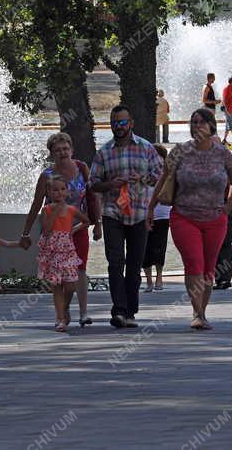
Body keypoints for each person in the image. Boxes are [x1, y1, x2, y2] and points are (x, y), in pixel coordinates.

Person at [148, 108, 232, 330]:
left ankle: (202, 311)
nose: (197, 125)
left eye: (201, 122)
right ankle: (198, 313)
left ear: (211, 127)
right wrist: (150, 209)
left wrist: (228, 207)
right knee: (194, 264)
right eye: (193, 122)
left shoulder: (223, 154)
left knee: (209, 269)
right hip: (184, 217)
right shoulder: (180, 152)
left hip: (215, 219)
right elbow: (163, 180)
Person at [90, 105, 163, 329]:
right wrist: (109, 184)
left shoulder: (146, 148)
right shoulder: (104, 152)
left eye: (122, 123)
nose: (119, 127)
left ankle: (130, 310)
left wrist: (142, 178)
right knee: (115, 261)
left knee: (134, 264)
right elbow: (93, 183)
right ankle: (119, 310)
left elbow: (159, 176)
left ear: (130, 123)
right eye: (114, 123)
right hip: (113, 212)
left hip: (139, 212)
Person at [20, 132, 102, 327]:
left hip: (78, 229)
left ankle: (82, 313)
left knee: (79, 270)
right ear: (51, 154)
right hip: (54, 234)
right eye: (57, 150)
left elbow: (92, 197)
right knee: (58, 276)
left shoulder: (82, 168)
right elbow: (36, 205)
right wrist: (25, 233)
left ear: (71, 149)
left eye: (65, 148)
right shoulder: (47, 176)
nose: (62, 153)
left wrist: (97, 224)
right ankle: (61, 313)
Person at [37, 177, 91, 332]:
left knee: (70, 285)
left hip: (67, 250)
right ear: (49, 192)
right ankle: (60, 318)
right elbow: (46, 229)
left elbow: (86, 221)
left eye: (62, 189)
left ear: (67, 192)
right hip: (52, 250)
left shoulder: (71, 210)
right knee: (56, 286)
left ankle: (65, 306)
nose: (59, 193)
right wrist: (55, 210)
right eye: (55, 190)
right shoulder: (46, 209)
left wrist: (73, 230)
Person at [142, 144, 171, 292]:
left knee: (160, 247)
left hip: (163, 214)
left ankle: (159, 277)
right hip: (144, 215)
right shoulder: (143, 173)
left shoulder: (167, 175)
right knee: (145, 248)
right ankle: (148, 281)